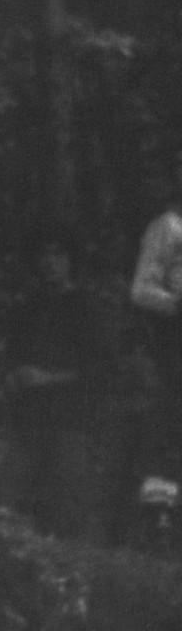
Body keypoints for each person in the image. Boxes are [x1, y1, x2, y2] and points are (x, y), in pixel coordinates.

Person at [3, 234, 104, 539]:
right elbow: (12, 357)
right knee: (12, 506)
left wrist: (48, 378)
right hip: (27, 420)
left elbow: (100, 370)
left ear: (70, 260)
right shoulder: (27, 308)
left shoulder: (86, 308)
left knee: (65, 510)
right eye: (44, 254)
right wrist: (12, 378)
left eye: (58, 254)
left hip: (70, 421)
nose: (50, 262)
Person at [130, 154, 182, 503]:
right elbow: (141, 289)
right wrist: (175, 304)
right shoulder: (167, 227)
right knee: (171, 422)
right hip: (174, 337)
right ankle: (161, 510)